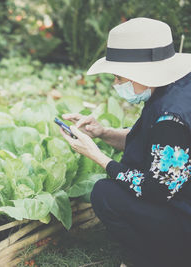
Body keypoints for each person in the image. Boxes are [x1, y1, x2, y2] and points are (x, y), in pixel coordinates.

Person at [58, 17, 191, 267]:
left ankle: (161, 259)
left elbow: (157, 190)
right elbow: (158, 147)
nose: (115, 84)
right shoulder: (178, 87)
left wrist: (99, 157)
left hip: (184, 218)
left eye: (119, 77)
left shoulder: (170, 120)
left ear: (144, 75)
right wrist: (103, 132)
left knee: (105, 193)